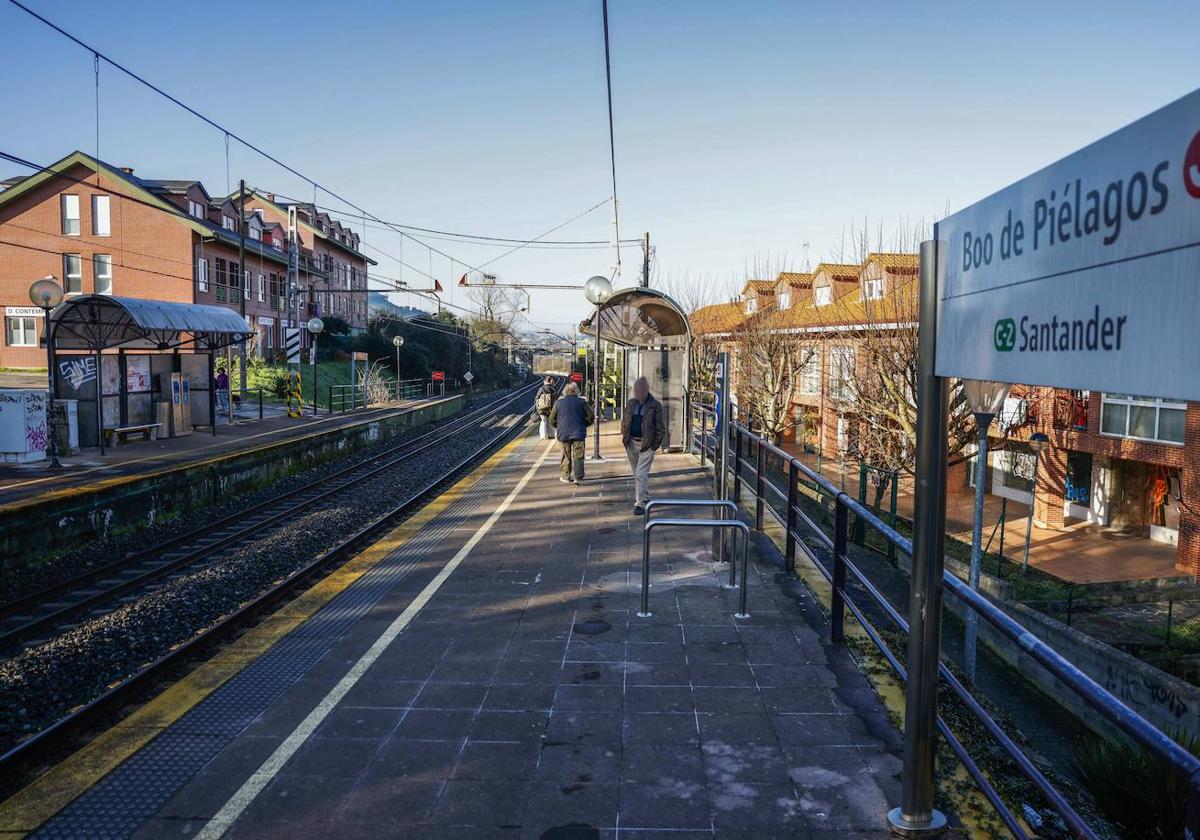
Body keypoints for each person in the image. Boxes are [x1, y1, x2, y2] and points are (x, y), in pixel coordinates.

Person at [621, 376, 664, 515]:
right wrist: (625, 436)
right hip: (631, 443)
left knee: (640, 474)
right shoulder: (631, 403)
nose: (638, 392)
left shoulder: (655, 405)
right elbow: (625, 420)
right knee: (638, 474)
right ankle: (645, 495)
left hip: (646, 445)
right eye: (636, 389)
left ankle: (639, 504)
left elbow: (660, 428)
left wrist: (654, 446)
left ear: (646, 390)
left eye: (641, 389)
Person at [549, 381, 593, 484]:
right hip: (578, 432)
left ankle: (566, 476)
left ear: (565, 392)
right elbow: (591, 416)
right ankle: (578, 477)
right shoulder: (582, 402)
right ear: (576, 391)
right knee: (578, 455)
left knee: (565, 455)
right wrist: (585, 424)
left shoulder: (558, 403)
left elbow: (551, 419)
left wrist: (558, 426)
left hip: (563, 433)